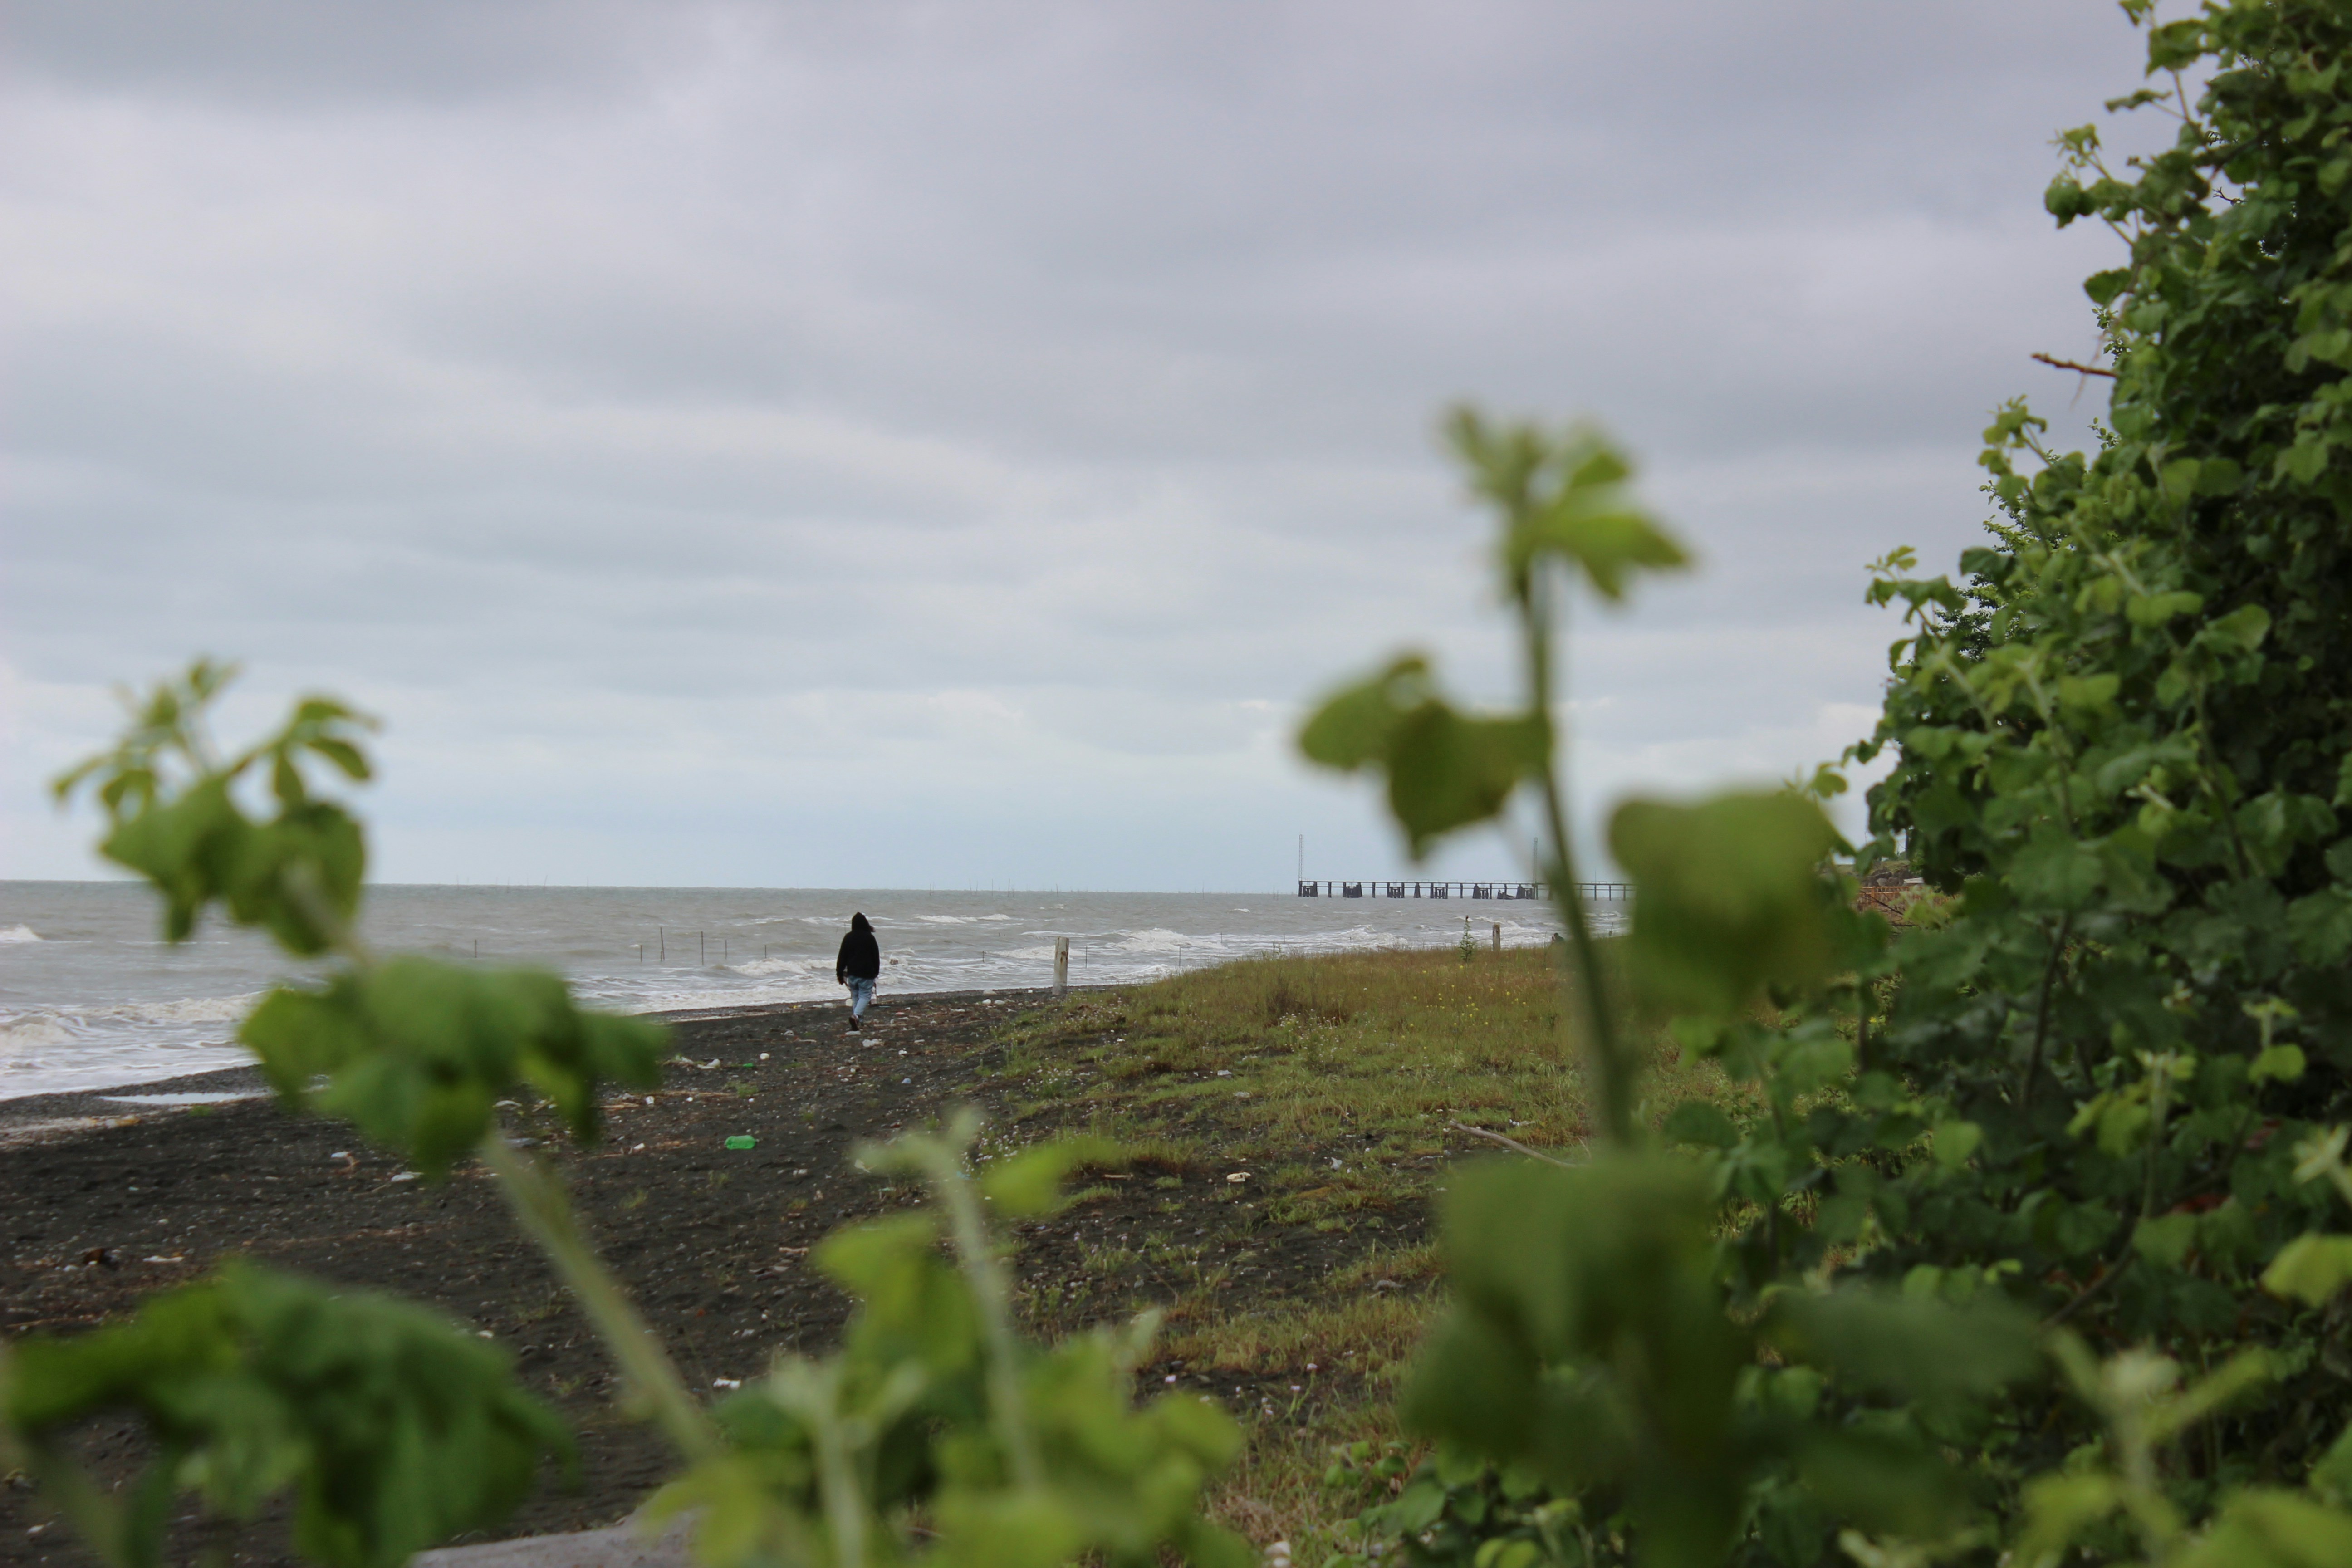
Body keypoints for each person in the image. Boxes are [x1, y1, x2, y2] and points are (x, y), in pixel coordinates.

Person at [835, 912, 881, 1032]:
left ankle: (858, 1021)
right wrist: (876, 971)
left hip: (853, 974)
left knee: (855, 997)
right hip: (867, 973)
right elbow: (876, 956)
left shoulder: (848, 937)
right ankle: (856, 1017)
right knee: (865, 996)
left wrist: (839, 973)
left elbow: (842, 957)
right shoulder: (870, 938)